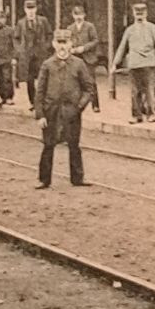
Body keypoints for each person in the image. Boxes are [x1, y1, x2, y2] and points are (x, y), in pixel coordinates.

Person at [34, 29, 95, 189]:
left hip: (71, 112)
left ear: (71, 44)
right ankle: (44, 179)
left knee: (74, 144)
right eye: (59, 43)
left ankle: (77, 178)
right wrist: (40, 115)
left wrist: (79, 106)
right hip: (51, 112)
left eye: (65, 43)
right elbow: (39, 92)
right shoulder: (47, 65)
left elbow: (89, 89)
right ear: (54, 44)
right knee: (48, 144)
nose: (62, 47)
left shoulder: (78, 64)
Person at [113, 0, 155, 123]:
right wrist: (115, 63)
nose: (140, 16)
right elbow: (122, 47)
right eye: (137, 14)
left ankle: (151, 114)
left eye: (142, 13)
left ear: (146, 13)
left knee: (149, 90)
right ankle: (136, 115)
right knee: (135, 91)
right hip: (134, 64)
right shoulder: (129, 30)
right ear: (133, 14)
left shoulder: (152, 28)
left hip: (149, 63)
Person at [16, 0, 54, 111]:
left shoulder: (43, 21)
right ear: (25, 10)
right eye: (28, 9)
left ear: (36, 9)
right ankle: (33, 102)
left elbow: (50, 34)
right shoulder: (21, 23)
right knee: (30, 80)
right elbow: (16, 38)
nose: (31, 11)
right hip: (28, 56)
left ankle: (43, 101)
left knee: (43, 78)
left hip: (41, 55)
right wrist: (20, 49)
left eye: (33, 9)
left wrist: (46, 46)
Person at [66, 4, 102, 114]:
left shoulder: (90, 26)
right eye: (76, 15)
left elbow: (95, 40)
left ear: (84, 15)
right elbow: (67, 41)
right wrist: (71, 49)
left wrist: (84, 48)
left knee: (90, 81)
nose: (78, 17)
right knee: (75, 80)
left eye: (80, 14)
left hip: (88, 58)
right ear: (73, 15)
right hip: (75, 57)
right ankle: (78, 103)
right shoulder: (70, 28)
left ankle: (95, 105)